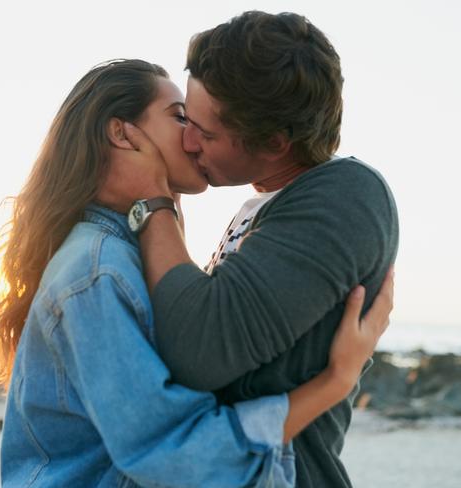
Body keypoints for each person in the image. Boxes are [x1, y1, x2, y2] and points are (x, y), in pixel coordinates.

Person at [0, 59, 394, 487]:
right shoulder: (98, 270)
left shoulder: (132, 253)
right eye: (179, 117)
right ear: (122, 133)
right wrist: (333, 382)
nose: (193, 138)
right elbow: (172, 453)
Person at [97, 11, 400, 488]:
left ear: (276, 143)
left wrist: (154, 199)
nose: (187, 141)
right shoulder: (263, 203)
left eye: (206, 132)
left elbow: (198, 352)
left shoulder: (345, 197)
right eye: (184, 119)